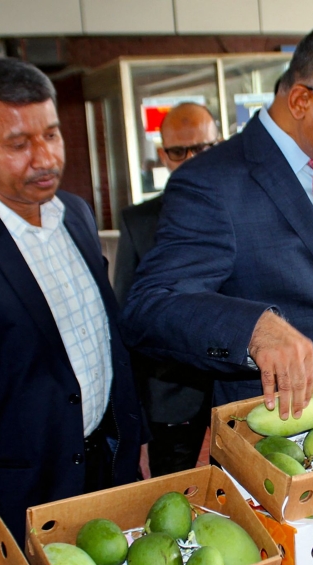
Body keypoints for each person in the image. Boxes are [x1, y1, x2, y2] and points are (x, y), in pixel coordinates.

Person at [121, 19, 313, 415]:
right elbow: (149, 307)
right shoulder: (212, 182)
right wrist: (251, 328)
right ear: (301, 100)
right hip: (288, 432)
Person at [0, 58, 146, 541]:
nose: (44, 157)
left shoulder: (76, 213)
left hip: (110, 462)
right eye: (19, 144)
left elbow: (107, 335)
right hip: (27, 490)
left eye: (51, 135)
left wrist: (138, 438)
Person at [113, 102, 217, 477]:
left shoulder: (245, 209)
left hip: (241, 398)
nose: (191, 159)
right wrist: (136, 420)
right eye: (179, 151)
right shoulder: (138, 222)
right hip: (170, 407)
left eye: (203, 148)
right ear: (163, 155)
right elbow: (128, 324)